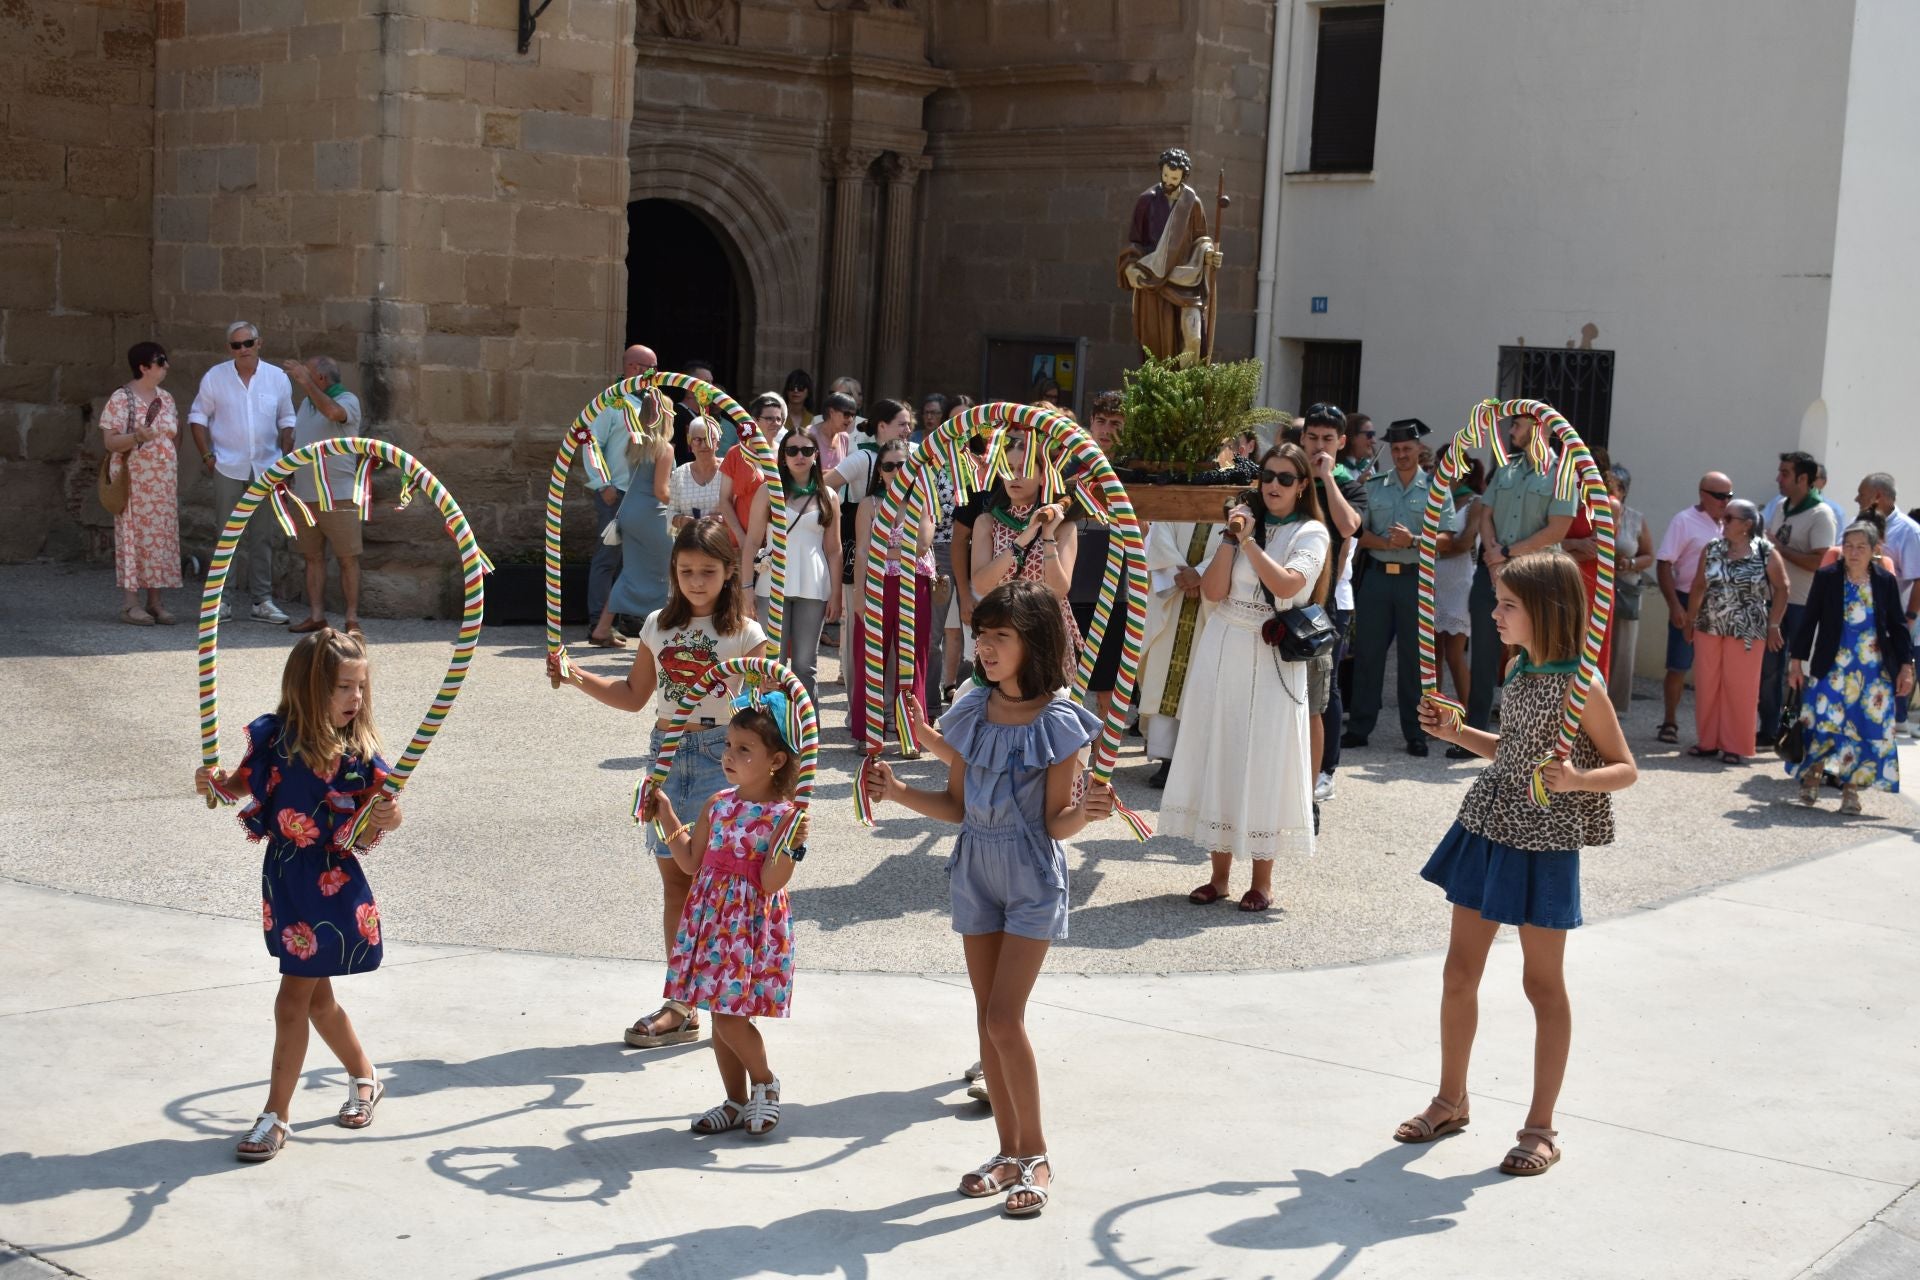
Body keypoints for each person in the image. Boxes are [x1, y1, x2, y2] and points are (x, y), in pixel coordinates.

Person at [862, 580, 1115, 1218]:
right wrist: (896, 793)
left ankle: (1037, 1154)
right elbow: (954, 805)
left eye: (1000, 636)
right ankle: (1007, 1152)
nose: (986, 646)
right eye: (982, 634)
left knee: (1006, 1019)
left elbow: (1056, 823)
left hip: (1030, 873)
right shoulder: (970, 713)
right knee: (985, 1024)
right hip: (975, 867)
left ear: (1033, 643)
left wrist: (1084, 813)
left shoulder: (1060, 721)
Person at [1398, 552, 1637, 1177]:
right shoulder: (1522, 667)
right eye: (1496, 602)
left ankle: (1540, 1127)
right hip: (1490, 826)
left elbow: (1626, 768)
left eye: (1507, 605)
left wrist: (1579, 777)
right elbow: (1512, 750)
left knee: (1542, 984)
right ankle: (1451, 1100)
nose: (1494, 613)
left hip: (1546, 841)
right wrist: (1457, 733)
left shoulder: (1582, 687)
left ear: (1545, 612)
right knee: (1458, 971)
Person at [547, 517, 768, 1047]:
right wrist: (575, 676)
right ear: (673, 571)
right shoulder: (657, 626)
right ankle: (682, 1001)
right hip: (667, 756)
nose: (696, 581)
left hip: (724, 759)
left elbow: (765, 712)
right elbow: (632, 694)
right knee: (676, 884)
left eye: (708, 571)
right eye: (687, 570)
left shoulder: (745, 634)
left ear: (727, 572)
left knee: (723, 886)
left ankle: (728, 993)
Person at [193, 628, 403, 1161]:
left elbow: (381, 814)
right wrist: (215, 782)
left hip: (331, 885)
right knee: (318, 1000)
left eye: (361, 687)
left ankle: (275, 1115)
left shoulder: (358, 752)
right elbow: (243, 784)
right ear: (308, 688)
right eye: (343, 687)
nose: (356, 699)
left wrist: (389, 815)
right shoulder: (275, 737)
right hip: (286, 877)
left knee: (293, 1001)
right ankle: (364, 1076)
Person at [1162, 443, 1332, 911]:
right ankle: (1218, 877)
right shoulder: (1239, 528)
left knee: (1264, 756)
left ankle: (1262, 879)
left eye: (1284, 478)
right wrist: (1229, 538)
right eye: (1268, 476)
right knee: (1222, 748)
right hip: (1224, 643)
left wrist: (1251, 542)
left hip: (1273, 652)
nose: (1273, 486)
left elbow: (1287, 586)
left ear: (1301, 486)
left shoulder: (1311, 532)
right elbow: (1213, 591)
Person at [643, 699, 808, 1137]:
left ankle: (766, 1084)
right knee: (720, 1016)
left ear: (776, 761)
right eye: (729, 746)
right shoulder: (717, 803)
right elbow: (691, 862)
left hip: (748, 930)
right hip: (712, 925)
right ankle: (735, 1101)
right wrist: (667, 817)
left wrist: (790, 847)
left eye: (743, 749)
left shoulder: (784, 816)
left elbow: (772, 882)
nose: (729, 756)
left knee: (732, 1017)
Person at [1344, 420, 1455, 757]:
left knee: (1414, 659)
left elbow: (1449, 540)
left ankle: (1416, 732)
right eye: (1396, 449)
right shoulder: (1375, 485)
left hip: (1414, 580)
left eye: (1407, 449)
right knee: (1368, 654)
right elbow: (1357, 531)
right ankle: (1360, 727)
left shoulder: (1436, 491)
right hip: (1377, 577)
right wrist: (1386, 543)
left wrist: (1414, 541)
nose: (1402, 455)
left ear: (1420, 450)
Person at [1787, 521, 1914, 813]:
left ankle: (1851, 791)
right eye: (1848, 546)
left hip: (1873, 671)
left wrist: (1906, 666)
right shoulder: (1828, 577)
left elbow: (1897, 625)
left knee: (1861, 728)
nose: (1853, 552)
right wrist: (1796, 661)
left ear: (1874, 551)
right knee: (1824, 723)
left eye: (1861, 547)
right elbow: (1810, 621)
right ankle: (1812, 777)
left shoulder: (1884, 581)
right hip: (1833, 667)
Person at [1465, 414, 1576, 733]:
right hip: (1492, 572)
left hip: (1538, 579)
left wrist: (1508, 554)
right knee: (1484, 653)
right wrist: (1494, 558)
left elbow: (1557, 529)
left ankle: (1536, 730)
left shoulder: (1562, 473)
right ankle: (1476, 730)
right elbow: (1486, 516)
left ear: (1539, 428)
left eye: (1518, 424)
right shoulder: (1507, 467)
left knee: (1538, 651)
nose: (1511, 430)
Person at [189, 320, 296, 625]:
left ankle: (262, 601)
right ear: (230, 348)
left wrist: (286, 459)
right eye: (236, 345)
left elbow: (287, 418)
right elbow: (197, 416)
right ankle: (221, 601)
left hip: (266, 466)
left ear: (259, 343)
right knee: (226, 536)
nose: (243, 350)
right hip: (228, 464)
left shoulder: (276, 378)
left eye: (248, 343)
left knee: (263, 535)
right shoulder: (216, 377)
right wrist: (207, 455)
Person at [1681, 500, 1788, 764]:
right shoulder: (1712, 549)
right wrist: (1690, 620)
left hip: (1748, 630)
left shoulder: (1765, 552)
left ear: (1747, 525)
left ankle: (1734, 745)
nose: (1723, 522)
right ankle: (1707, 742)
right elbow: (1698, 585)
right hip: (1709, 625)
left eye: (1729, 518)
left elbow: (1783, 587)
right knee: (1707, 684)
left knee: (1740, 687)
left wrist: (1774, 624)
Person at [741, 426, 840, 703]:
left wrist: (836, 593)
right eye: (792, 450)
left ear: (816, 455)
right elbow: (751, 543)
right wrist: (746, 586)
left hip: (814, 585)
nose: (800, 456)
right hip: (771, 584)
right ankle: (766, 729)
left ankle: (807, 730)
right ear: (782, 456)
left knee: (805, 665)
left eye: (807, 450)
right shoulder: (768, 491)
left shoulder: (829, 495)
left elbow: (834, 550)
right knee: (772, 662)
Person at [850, 436, 936, 750]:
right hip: (875, 586)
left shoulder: (922, 501)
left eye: (903, 464)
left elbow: (921, 547)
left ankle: (911, 734)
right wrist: (859, 593)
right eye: (889, 466)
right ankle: (867, 732)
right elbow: (861, 552)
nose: (896, 471)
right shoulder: (868, 505)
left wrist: (882, 549)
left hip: (916, 586)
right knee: (870, 658)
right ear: (880, 472)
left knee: (913, 660)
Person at [1299, 406, 1366, 796]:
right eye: (1312, 438)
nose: (1318, 446)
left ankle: (1326, 769)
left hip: (1332, 601)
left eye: (1327, 439)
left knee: (1328, 686)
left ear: (1341, 443)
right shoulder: (1291, 477)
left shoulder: (1349, 485)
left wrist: (1327, 477)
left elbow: (1348, 526)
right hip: (1291, 592)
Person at [970, 431, 1080, 661]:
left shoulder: (1063, 527)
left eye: (1024, 468)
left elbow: (1058, 591)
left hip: (1044, 628)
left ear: (1043, 476)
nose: (1014, 476)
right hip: (1000, 627)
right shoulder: (987, 522)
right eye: (1008, 467)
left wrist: (1047, 535)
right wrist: (1022, 539)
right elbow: (981, 585)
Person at [824, 396, 910, 681]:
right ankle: (855, 701)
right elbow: (826, 485)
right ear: (882, 426)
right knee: (855, 627)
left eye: (910, 424)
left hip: (896, 560)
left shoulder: (907, 456)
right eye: (902, 424)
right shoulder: (864, 457)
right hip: (861, 545)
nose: (907, 429)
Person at [581, 344, 661, 646]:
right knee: (607, 557)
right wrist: (603, 484)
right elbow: (591, 443)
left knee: (638, 560)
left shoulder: (654, 402)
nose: (653, 375)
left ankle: (629, 618)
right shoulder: (610, 403)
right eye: (649, 368)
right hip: (616, 491)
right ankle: (597, 622)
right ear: (634, 368)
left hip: (644, 494)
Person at [1137, 517, 1225, 788]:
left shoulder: (1236, 498)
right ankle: (1167, 759)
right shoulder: (1182, 497)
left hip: (1215, 602)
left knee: (1205, 678)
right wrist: (1181, 576)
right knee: (1165, 675)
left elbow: (1238, 543)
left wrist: (1202, 573)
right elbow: (1161, 534)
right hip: (1172, 597)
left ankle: (1198, 763)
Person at [1760, 451, 1839, 748]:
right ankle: (1769, 730)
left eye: (1784, 473)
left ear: (1802, 479)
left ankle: (1794, 733)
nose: (1778, 479)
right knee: (1769, 670)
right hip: (1774, 599)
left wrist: (1779, 549)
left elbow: (1822, 562)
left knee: (1797, 674)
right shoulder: (1781, 506)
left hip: (1803, 604)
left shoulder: (1821, 514)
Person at [101, 341, 182, 626]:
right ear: (144, 367)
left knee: (159, 537)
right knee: (134, 536)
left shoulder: (167, 398)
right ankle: (130, 604)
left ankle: (155, 602)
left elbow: (174, 435)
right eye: (161, 361)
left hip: (161, 482)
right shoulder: (122, 398)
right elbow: (110, 441)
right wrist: (136, 437)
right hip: (135, 481)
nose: (166, 365)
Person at [284, 355, 366, 634]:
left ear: (320, 378)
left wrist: (305, 383)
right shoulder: (306, 405)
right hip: (305, 494)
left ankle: (351, 619)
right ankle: (317, 615)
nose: (301, 380)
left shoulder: (347, 400)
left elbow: (334, 413)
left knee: (347, 557)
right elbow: (296, 440)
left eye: (307, 374)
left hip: (338, 493)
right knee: (312, 556)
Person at [1653, 472, 1732, 743]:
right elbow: (1664, 564)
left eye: (1729, 496)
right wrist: (1674, 605)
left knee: (1718, 671)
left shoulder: (1731, 524)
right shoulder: (1684, 521)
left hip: (1720, 603)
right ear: (1703, 494)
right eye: (1720, 496)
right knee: (1678, 664)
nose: (1726, 501)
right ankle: (1669, 721)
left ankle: (1713, 730)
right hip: (1688, 600)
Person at [1065, 392, 1128, 723]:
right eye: (1101, 422)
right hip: (1070, 585)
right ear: (1090, 423)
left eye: (1115, 424)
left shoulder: (1131, 471)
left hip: (1114, 589)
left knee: (1108, 686)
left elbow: (1142, 530)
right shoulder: (1069, 465)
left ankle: (1104, 765)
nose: (1106, 430)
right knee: (1066, 681)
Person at [595, 411, 677, 638]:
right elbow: (661, 491)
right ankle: (665, 631)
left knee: (630, 572)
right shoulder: (665, 448)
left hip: (630, 512)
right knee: (668, 571)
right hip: (652, 515)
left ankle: (603, 627)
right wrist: (682, 505)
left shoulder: (635, 443)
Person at [1854, 473, 1920, 739]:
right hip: (1860, 620)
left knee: (1889, 674)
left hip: (1895, 619)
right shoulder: (1858, 525)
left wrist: (1910, 617)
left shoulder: (1908, 531)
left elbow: (1918, 579)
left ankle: (1894, 721)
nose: (1856, 498)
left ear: (1878, 496)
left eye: (1861, 493)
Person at [1432, 454, 1483, 736]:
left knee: (1454, 653)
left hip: (1461, 580)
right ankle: (1436, 717)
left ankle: (1470, 718)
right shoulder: (1434, 497)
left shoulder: (1474, 501)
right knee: (1433, 654)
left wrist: (1425, 545)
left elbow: (1464, 543)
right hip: (1433, 578)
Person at [1605, 464, 1652, 714]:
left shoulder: (1635, 519)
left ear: (1622, 490)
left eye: (1611, 486)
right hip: (1599, 585)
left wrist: (1630, 563)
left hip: (1625, 588)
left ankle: (1615, 707)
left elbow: (1649, 556)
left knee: (1622, 650)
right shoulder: (1593, 511)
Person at [718, 392, 786, 547]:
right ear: (754, 421)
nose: (775, 423)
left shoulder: (786, 453)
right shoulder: (736, 453)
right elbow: (724, 500)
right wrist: (741, 537)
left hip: (775, 540)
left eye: (779, 419)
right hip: (741, 537)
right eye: (769, 418)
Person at [666, 415, 724, 535]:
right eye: (697, 439)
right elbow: (671, 513)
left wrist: (720, 519)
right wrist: (683, 521)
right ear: (690, 443)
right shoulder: (679, 474)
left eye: (708, 439)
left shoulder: (728, 471)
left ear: (717, 444)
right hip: (690, 542)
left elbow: (741, 510)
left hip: (722, 541)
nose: (703, 445)